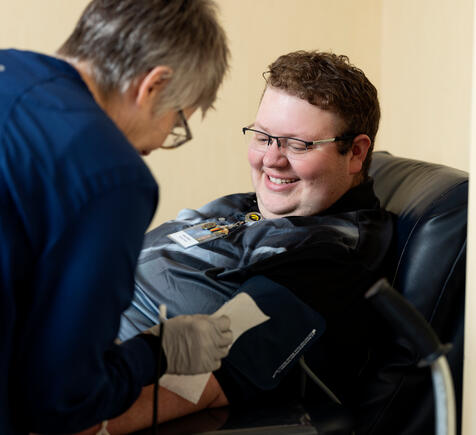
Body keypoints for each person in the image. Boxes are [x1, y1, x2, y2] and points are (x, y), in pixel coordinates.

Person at [76, 50, 395, 434]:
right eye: (263, 137)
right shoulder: (252, 209)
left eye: (297, 145)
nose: (271, 160)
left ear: (355, 152)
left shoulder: (328, 263)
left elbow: (195, 386)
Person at [0, 1, 234, 434]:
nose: (160, 142)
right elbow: (60, 401)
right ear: (154, 85)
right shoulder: (110, 172)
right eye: (177, 124)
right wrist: (156, 353)